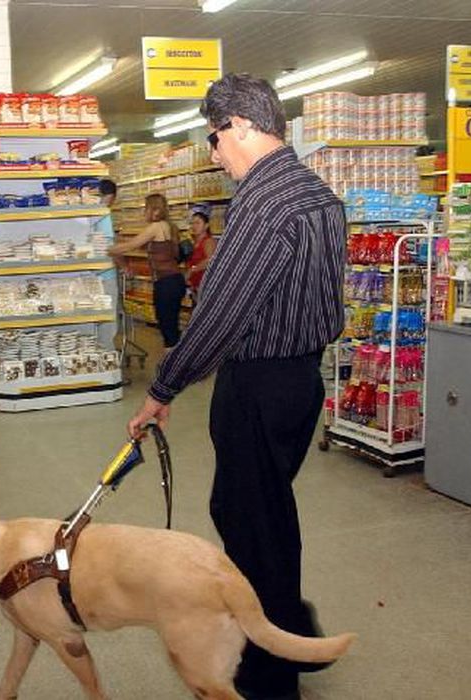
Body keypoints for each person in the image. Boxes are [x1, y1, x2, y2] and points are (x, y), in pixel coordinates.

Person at [127, 73, 346, 700]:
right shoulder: (318, 195)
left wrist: (163, 388)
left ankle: (270, 671)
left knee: (248, 519)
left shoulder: (263, 203)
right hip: (301, 380)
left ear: (244, 125)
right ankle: (293, 633)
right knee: (267, 510)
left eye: (215, 138)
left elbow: (222, 312)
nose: (215, 154)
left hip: (257, 382)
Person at [108, 193, 186, 347]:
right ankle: (177, 362)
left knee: (168, 329)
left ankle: (172, 367)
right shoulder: (169, 226)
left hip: (166, 284)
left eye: (146, 208)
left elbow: (132, 245)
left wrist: (107, 249)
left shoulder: (157, 227)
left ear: (155, 210)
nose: (144, 212)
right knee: (170, 326)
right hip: (173, 281)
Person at [184, 203, 218, 296]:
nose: (194, 226)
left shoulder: (208, 241)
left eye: (198, 223)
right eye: (192, 223)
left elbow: (210, 260)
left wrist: (192, 270)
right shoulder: (193, 242)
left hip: (206, 287)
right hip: (194, 287)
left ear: (206, 225)